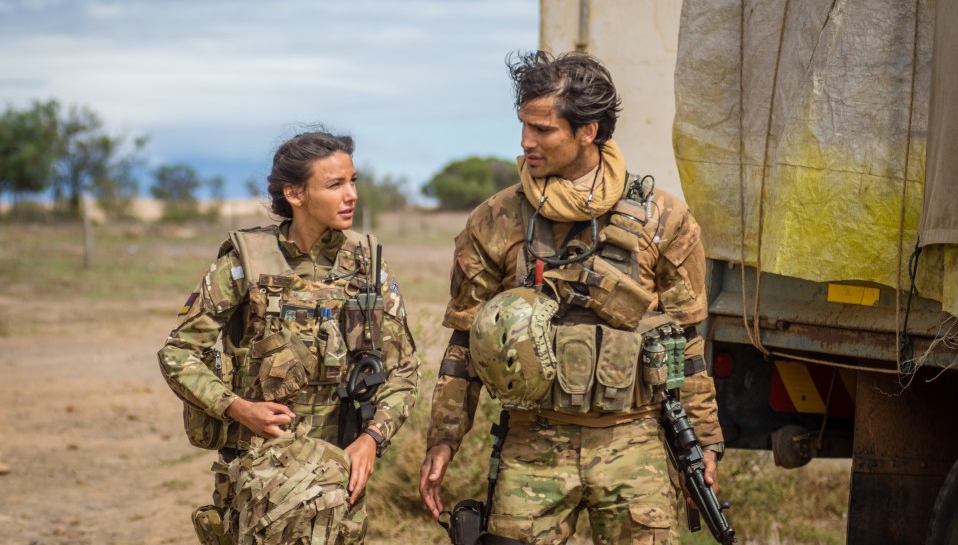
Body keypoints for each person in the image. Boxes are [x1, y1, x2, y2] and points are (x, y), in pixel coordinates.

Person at [418, 51, 724, 544]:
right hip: (531, 440)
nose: (525, 142)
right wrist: (444, 439)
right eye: (523, 126)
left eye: (543, 129)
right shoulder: (496, 219)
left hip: (635, 440)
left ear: (589, 131)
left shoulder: (665, 220)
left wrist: (705, 442)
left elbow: (688, 345)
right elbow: (463, 344)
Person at [159, 129, 419, 545]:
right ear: (295, 194)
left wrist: (372, 439)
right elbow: (178, 353)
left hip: (339, 473)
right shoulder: (246, 262)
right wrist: (238, 408)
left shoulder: (367, 264)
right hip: (261, 474)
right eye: (335, 185)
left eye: (353, 181)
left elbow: (404, 370)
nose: (351, 194)